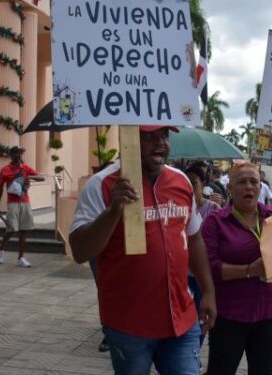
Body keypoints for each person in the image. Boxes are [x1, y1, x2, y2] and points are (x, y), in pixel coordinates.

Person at [68, 125, 216, 375]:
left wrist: (209, 291)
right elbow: (81, 251)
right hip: (129, 325)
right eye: (149, 137)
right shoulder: (101, 185)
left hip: (181, 318)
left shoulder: (181, 181)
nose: (160, 143)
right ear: (128, 140)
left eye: (164, 136)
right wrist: (114, 210)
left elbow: (195, 239)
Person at [201, 162, 272, 375]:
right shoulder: (216, 222)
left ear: (261, 188)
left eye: (254, 182)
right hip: (229, 315)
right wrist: (249, 270)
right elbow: (208, 267)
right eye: (242, 182)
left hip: (269, 313)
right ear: (230, 188)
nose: (249, 187)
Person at [184, 165, 221, 350]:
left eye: (194, 182)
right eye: (186, 182)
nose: (189, 187)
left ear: (203, 184)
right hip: (183, 273)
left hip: (203, 274)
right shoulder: (179, 206)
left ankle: (195, 352)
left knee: (202, 314)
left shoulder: (213, 209)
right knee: (184, 315)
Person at [0, 146, 44, 267]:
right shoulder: (4, 170)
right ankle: (1, 248)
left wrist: (29, 177)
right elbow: (0, 188)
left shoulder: (25, 168)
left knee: (24, 229)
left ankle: (21, 257)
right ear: (10, 155)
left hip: (25, 202)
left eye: (19, 154)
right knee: (11, 229)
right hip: (12, 203)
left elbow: (41, 178)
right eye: (15, 153)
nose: (18, 156)